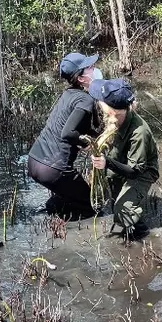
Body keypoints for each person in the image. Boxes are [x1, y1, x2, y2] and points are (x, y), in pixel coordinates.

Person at [27, 52, 104, 219]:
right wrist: (88, 144)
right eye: (90, 67)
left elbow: (74, 127)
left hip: (34, 161)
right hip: (52, 168)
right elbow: (68, 133)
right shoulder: (85, 100)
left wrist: (98, 136)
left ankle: (48, 220)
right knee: (92, 208)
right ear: (81, 78)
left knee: (68, 199)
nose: (94, 69)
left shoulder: (69, 94)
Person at [89, 79, 159, 240]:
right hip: (123, 161)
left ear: (112, 110)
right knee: (113, 200)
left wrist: (107, 162)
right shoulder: (115, 119)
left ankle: (142, 233)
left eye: (102, 101)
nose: (98, 102)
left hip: (143, 171)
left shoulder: (139, 132)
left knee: (122, 211)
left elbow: (135, 171)